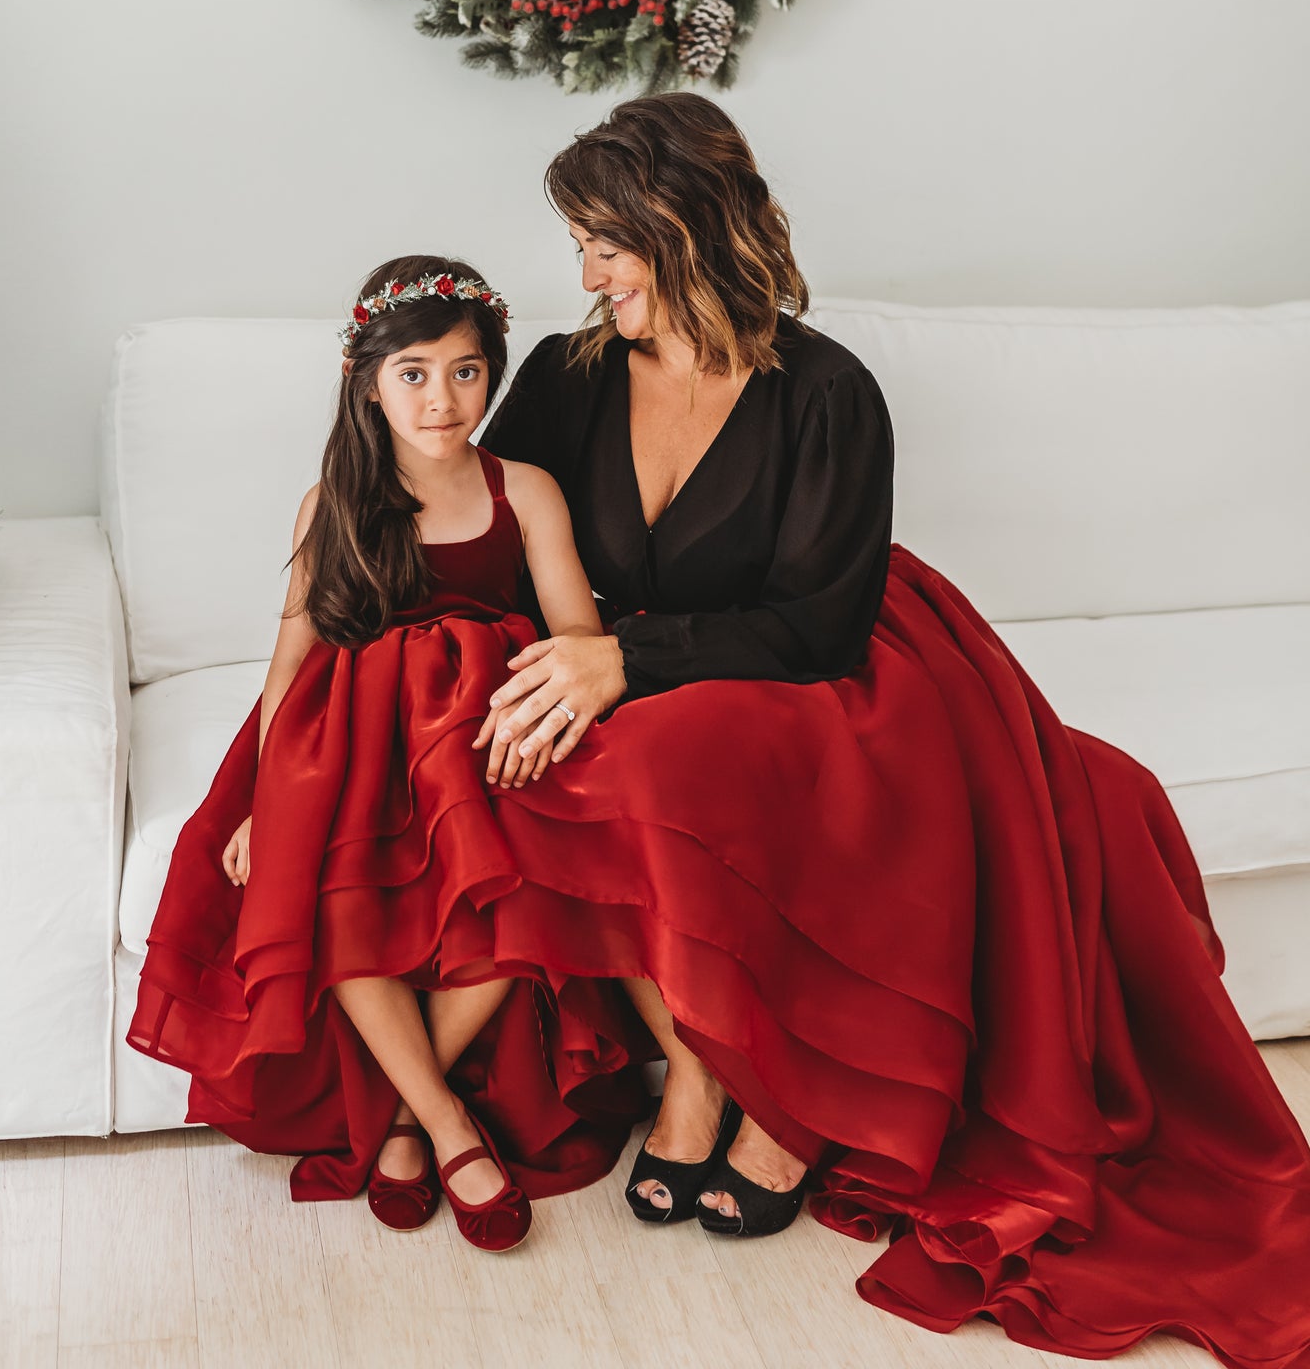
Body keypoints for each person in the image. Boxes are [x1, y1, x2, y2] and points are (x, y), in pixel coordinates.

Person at [475, 93, 1310, 1365]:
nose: (584, 274)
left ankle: (783, 1107)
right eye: (579, 245)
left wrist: (619, 660)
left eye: (605, 243)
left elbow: (815, 623)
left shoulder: (825, 390)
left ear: (681, 225)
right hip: (634, 656)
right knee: (550, 758)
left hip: (821, 659)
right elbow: (479, 523)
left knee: (667, 759)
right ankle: (701, 1063)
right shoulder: (563, 374)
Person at [124, 255, 654, 1252]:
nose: (440, 398)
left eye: (464, 371)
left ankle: (404, 1113)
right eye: (412, 373)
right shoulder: (334, 500)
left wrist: (549, 726)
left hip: (484, 731)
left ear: (491, 374)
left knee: (531, 883)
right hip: (350, 740)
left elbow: (575, 639)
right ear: (367, 383)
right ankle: (448, 1124)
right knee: (329, 891)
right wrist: (258, 802)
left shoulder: (524, 490)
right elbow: (292, 662)